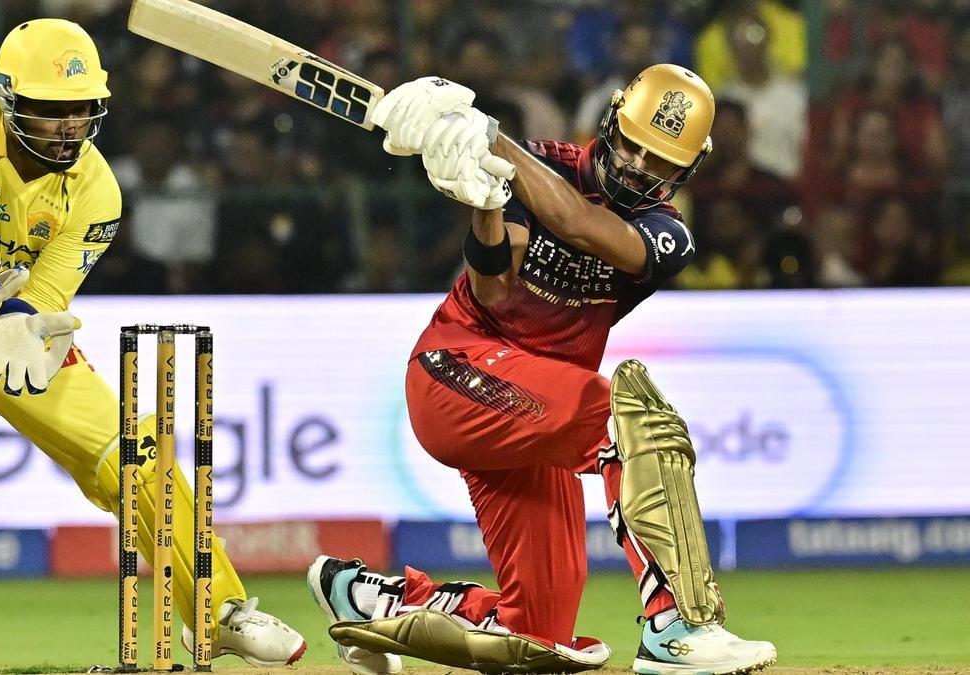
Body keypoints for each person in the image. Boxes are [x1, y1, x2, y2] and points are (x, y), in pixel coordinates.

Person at [0, 18, 305, 672]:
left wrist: (18, 321)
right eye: (50, 108)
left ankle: (219, 613)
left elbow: (45, 296)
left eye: (81, 108)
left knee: (130, 449)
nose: (68, 125)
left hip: (8, 331)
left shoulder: (98, 190)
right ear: (8, 98)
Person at [307, 65, 777, 674]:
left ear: (687, 170)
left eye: (659, 161)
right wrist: (486, 206)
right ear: (610, 122)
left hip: (533, 412)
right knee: (629, 420)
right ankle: (678, 627)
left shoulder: (669, 234)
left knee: (538, 633)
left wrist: (490, 140)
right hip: (456, 371)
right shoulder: (541, 164)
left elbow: (581, 224)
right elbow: (494, 293)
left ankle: (370, 599)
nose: (636, 165)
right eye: (631, 144)